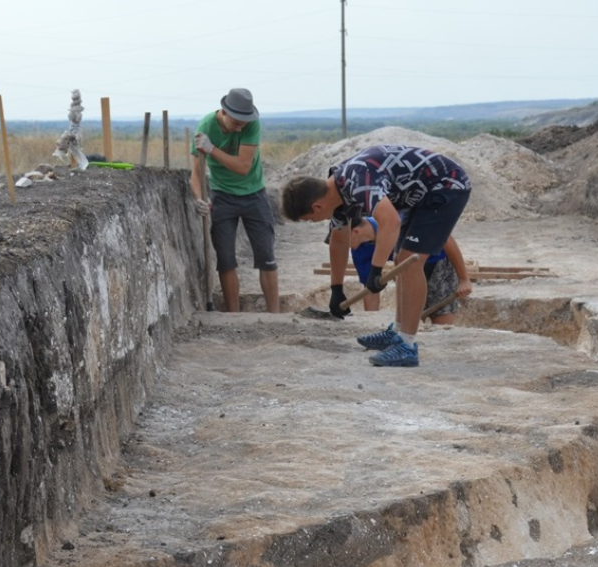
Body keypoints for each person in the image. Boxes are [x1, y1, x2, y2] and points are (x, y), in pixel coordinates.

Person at [281, 144, 473, 367]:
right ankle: (398, 332)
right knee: (402, 260)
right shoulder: (337, 193)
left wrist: (376, 269)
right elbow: (339, 239)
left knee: (411, 262)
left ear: (316, 206)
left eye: (309, 219)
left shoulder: (357, 182)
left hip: (447, 185)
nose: (314, 222)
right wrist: (336, 289)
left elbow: (390, 221)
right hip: (421, 193)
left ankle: (407, 345)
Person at [190, 87, 279, 313]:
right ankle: (233, 316)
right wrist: (199, 199)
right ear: (224, 112)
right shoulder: (206, 128)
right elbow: (196, 175)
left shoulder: (251, 124)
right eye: (237, 122)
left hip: (254, 194)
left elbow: (243, 167)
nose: (240, 127)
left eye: (244, 123)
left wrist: (212, 149)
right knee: (226, 259)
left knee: (266, 256)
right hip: (222, 196)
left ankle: (275, 315)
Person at [345, 214, 471, 323]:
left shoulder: (399, 222)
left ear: (355, 232)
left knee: (441, 317)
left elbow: (446, 238)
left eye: (344, 241)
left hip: (437, 263)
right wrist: (372, 322)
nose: (343, 246)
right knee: (408, 319)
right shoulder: (359, 250)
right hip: (407, 269)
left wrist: (464, 279)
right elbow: (371, 289)